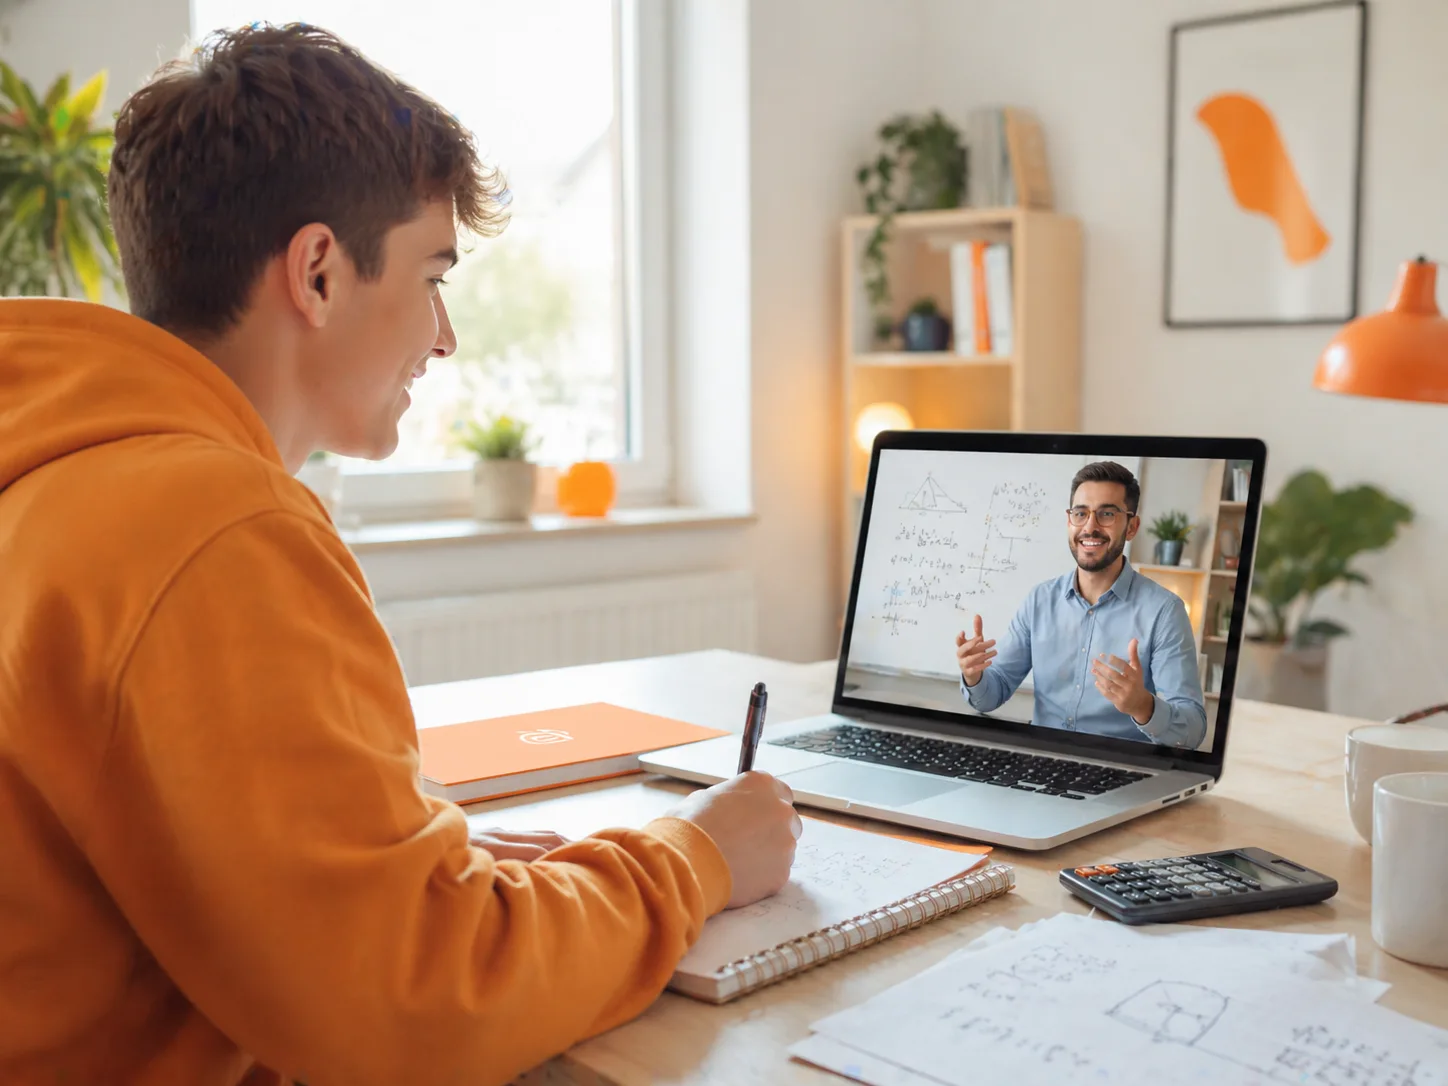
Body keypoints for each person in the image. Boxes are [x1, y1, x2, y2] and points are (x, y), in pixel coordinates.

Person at [0, 24, 800, 1086]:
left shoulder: (55, 465)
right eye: (434, 276)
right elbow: (420, 1006)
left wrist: (416, 859)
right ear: (319, 273)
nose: (443, 338)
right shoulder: (211, 529)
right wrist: (693, 859)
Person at [954, 461, 1207, 749]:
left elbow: (1193, 729)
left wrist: (1143, 707)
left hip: (1120, 768)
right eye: (1081, 513)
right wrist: (974, 677)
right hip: (1040, 760)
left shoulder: (1164, 612)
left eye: (1107, 514)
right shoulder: (1040, 600)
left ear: (1132, 526)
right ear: (1069, 520)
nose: (1090, 527)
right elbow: (992, 694)